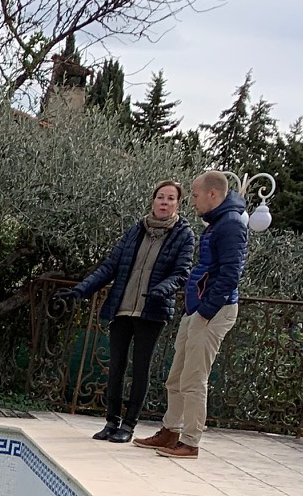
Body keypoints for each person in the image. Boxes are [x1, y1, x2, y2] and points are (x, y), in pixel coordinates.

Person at [58, 181, 194, 442]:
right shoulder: (135, 231)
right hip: (121, 308)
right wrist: (81, 290)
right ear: (153, 200)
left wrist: (161, 290)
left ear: (178, 204)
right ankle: (111, 422)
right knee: (116, 367)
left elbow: (182, 273)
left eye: (170, 198)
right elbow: (110, 266)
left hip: (151, 311)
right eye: (160, 197)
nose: (164, 202)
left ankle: (129, 426)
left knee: (140, 369)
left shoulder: (183, 235)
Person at [136, 169, 250, 459]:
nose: (194, 201)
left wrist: (207, 310)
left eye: (196, 195)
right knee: (176, 376)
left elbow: (230, 275)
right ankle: (170, 430)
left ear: (213, 194)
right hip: (198, 308)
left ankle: (190, 441)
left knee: (194, 378)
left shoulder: (232, 225)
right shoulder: (217, 223)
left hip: (213, 311)